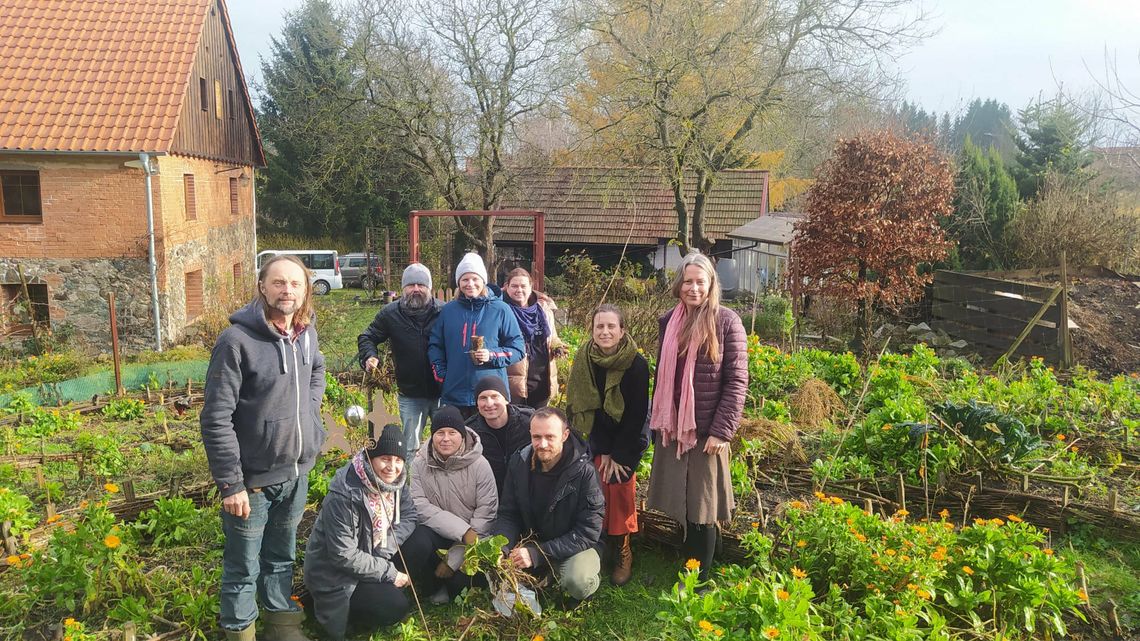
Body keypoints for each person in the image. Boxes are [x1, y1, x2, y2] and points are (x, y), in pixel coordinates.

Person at [200, 254, 327, 641]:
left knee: (281, 557)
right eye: (278, 283)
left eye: (295, 283)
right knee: (243, 566)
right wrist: (231, 484)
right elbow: (215, 417)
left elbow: (317, 368)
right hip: (251, 482)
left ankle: (281, 625)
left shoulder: (305, 333)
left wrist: (310, 412)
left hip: (296, 473)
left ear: (305, 290)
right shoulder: (237, 341)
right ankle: (241, 632)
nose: (287, 290)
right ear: (262, 286)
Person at [646, 252, 748, 583]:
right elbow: (663, 374)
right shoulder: (668, 321)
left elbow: (737, 381)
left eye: (699, 282)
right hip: (675, 427)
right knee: (683, 501)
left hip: (706, 431)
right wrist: (656, 420)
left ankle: (698, 579)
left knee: (702, 507)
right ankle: (698, 560)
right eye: (687, 281)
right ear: (679, 285)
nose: (693, 288)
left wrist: (722, 431)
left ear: (710, 285)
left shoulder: (727, 322)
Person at [303, 423, 431, 641]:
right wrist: (389, 572)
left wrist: (385, 547)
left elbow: (409, 516)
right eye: (385, 458)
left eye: (398, 460)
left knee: (423, 539)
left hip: (373, 554)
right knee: (395, 608)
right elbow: (343, 555)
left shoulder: (396, 484)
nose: (392, 467)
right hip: (338, 575)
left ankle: (381, 590)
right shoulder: (344, 493)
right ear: (370, 458)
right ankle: (339, 609)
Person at [566, 304, 650, 586]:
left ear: (622, 330)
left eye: (611, 326)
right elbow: (584, 408)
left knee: (620, 485)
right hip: (597, 439)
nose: (605, 332)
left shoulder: (636, 364)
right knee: (595, 484)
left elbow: (637, 415)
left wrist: (618, 454)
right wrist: (601, 451)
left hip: (629, 439)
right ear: (592, 331)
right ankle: (598, 544)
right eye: (599, 326)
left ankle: (624, 548)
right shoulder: (584, 359)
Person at [494, 407, 605, 604]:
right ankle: (546, 573)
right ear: (530, 434)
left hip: (578, 544)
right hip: (534, 541)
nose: (542, 444)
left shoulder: (584, 471)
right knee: (498, 573)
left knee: (577, 581)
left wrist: (538, 553)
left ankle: (579, 580)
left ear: (565, 435)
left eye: (550, 437)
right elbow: (508, 513)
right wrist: (502, 547)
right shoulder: (519, 462)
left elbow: (588, 532)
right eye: (536, 437)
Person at [409, 405, 499, 602]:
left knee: (458, 585)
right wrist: (461, 530)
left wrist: (453, 559)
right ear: (432, 435)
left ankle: (449, 586)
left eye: (452, 432)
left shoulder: (480, 465)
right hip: (441, 533)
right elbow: (418, 504)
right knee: (417, 540)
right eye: (440, 433)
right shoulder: (419, 463)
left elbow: (485, 517)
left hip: (473, 539)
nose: (446, 438)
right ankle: (430, 587)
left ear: (463, 435)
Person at [358, 263, 444, 459]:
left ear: (429, 287)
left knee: (445, 443)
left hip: (443, 392)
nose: (416, 289)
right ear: (403, 288)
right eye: (410, 285)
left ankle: (441, 485)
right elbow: (367, 336)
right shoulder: (390, 314)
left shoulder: (444, 312)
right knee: (410, 447)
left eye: (421, 285)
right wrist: (370, 356)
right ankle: (409, 487)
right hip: (410, 393)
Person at [428, 252, 526, 417]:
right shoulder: (448, 311)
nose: (470, 284)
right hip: (454, 394)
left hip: (490, 397)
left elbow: (518, 348)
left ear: (483, 281)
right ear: (459, 282)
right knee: (457, 441)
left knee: (489, 442)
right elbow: (435, 345)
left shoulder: (501, 309)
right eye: (465, 280)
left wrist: (492, 355)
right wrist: (442, 374)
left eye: (475, 279)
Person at [502, 267, 567, 409]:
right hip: (515, 385)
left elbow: (552, 337)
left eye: (523, 286)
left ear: (531, 287)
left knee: (540, 427)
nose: (519, 290)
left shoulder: (543, 310)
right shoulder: (502, 311)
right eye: (514, 286)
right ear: (507, 287)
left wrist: (558, 347)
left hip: (542, 381)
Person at [466, 376, 534, 496]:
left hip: (528, 490)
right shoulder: (470, 432)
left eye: (494, 396)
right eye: (483, 398)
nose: (489, 403)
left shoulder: (529, 422)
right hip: (490, 494)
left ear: (506, 399)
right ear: (477, 404)